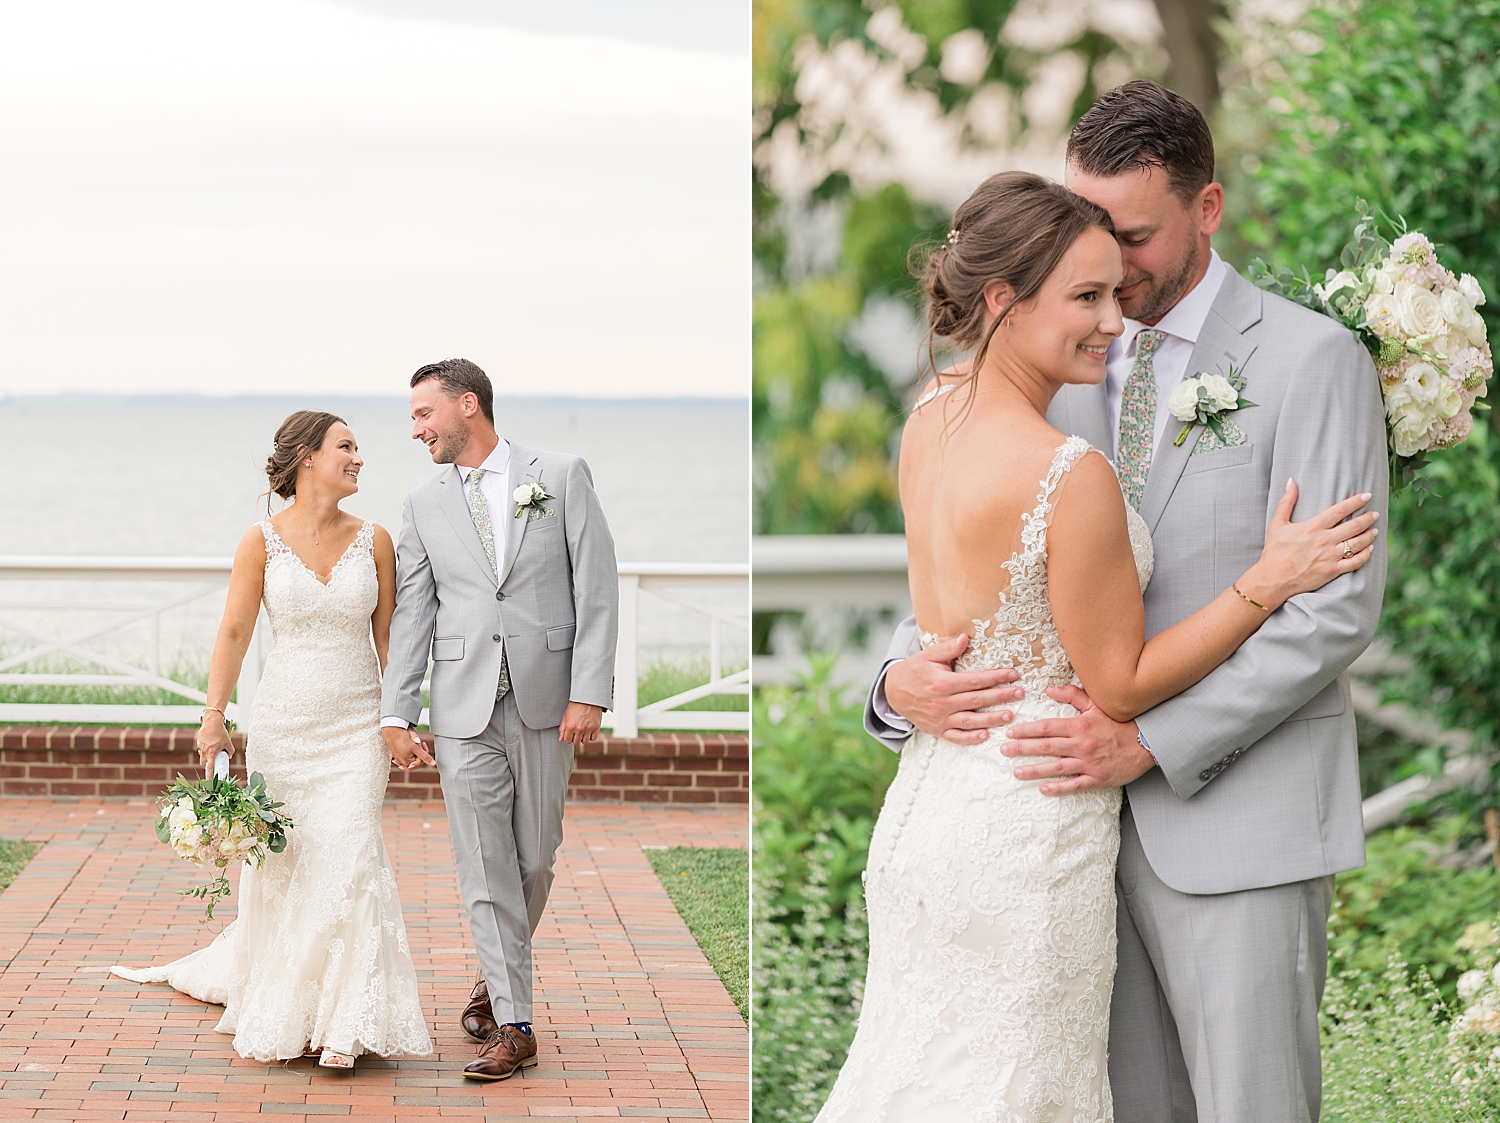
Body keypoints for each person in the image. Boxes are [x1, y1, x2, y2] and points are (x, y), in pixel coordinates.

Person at [863, 82, 1388, 1123]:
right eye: (1088, 228)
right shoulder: (1047, 367)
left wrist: (1149, 739)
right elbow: (984, 561)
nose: (1108, 266)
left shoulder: (1311, 362)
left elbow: (1334, 611)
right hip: (1058, 844)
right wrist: (890, 684)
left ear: (1208, 210)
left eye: (1133, 237)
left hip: (1236, 826)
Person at [112, 410, 433, 1071]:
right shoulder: (260, 541)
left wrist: (399, 719)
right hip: (285, 727)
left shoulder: (375, 539)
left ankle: (347, 1022)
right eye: (346, 446)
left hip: (355, 730)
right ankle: (292, 1006)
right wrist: (213, 715)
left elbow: (390, 640)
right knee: (288, 868)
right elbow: (233, 633)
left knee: (351, 858)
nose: (359, 458)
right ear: (308, 458)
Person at [379, 358, 619, 1082]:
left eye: (424, 414)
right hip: (460, 707)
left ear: (468, 406)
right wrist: (399, 711)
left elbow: (597, 588)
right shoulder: (422, 506)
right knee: (482, 864)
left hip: (548, 701)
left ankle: (495, 972)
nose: (415, 429)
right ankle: (514, 1023)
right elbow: (416, 612)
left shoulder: (563, 474)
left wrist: (591, 692)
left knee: (534, 857)